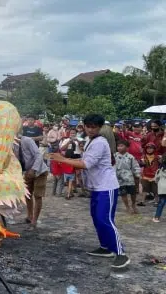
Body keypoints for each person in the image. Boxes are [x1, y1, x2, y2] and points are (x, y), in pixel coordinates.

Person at [50, 114, 130, 269]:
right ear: (85, 126)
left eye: (94, 127)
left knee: (104, 219)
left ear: (99, 128)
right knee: (97, 218)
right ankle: (105, 247)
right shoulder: (88, 141)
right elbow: (83, 159)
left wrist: (62, 159)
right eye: (89, 126)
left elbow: (86, 164)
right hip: (97, 186)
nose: (91, 129)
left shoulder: (100, 142)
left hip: (106, 187)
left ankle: (121, 253)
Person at [14, 133, 49, 229]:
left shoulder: (27, 140)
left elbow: (38, 156)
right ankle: (29, 216)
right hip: (27, 172)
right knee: (27, 194)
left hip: (39, 171)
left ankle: (34, 220)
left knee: (38, 196)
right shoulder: (12, 144)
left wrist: (33, 169)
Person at [114, 140, 141, 214]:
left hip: (129, 177)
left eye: (121, 146)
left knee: (133, 193)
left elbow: (135, 166)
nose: (119, 148)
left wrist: (137, 174)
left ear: (127, 148)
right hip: (119, 178)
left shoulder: (130, 157)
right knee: (123, 193)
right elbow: (112, 166)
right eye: (118, 146)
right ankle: (127, 206)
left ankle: (133, 204)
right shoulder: (115, 156)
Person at [60, 129, 82, 199]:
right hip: (69, 159)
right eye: (71, 133)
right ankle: (72, 190)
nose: (73, 134)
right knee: (70, 175)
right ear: (69, 134)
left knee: (78, 174)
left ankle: (81, 189)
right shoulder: (66, 140)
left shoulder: (79, 139)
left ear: (76, 133)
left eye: (74, 133)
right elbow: (62, 148)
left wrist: (77, 141)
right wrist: (69, 142)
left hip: (77, 158)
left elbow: (83, 148)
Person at [138, 143, 160, 207]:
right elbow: (140, 165)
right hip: (145, 176)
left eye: (151, 148)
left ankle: (156, 202)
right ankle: (142, 201)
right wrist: (141, 163)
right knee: (144, 189)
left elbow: (161, 164)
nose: (149, 150)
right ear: (145, 149)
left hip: (155, 176)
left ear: (154, 149)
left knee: (156, 190)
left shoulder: (157, 157)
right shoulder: (143, 157)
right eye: (148, 148)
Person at [153, 156, 166, 222]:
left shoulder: (159, 170)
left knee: (161, 203)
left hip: (162, 189)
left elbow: (155, 180)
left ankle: (156, 217)